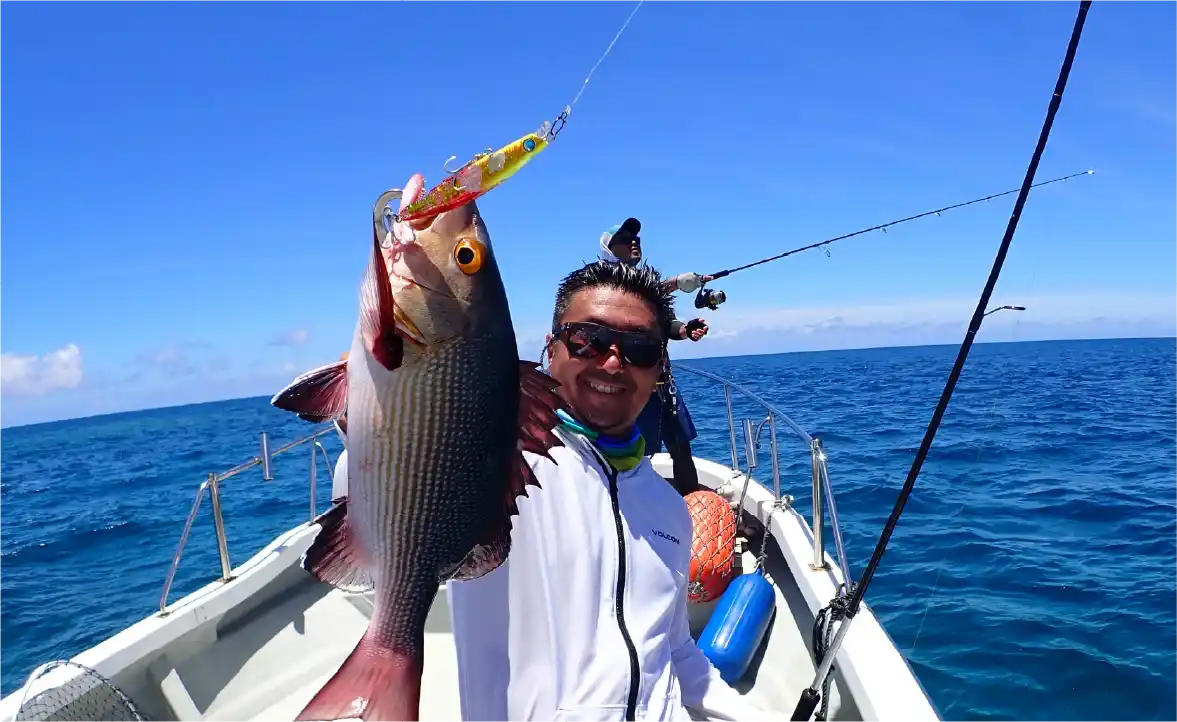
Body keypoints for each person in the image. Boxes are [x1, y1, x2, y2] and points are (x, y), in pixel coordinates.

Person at [448, 260, 780, 721]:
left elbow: (674, 648)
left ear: (659, 368)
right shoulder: (488, 463)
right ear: (551, 348)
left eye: (639, 349)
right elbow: (385, 471)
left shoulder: (668, 509)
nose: (611, 362)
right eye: (588, 339)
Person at [599, 217, 709, 495]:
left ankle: (693, 507)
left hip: (662, 386)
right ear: (608, 248)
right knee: (633, 458)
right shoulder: (601, 285)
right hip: (628, 388)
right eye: (625, 239)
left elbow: (667, 325)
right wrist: (675, 283)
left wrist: (685, 330)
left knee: (681, 450)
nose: (634, 242)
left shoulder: (651, 288)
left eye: (636, 238)